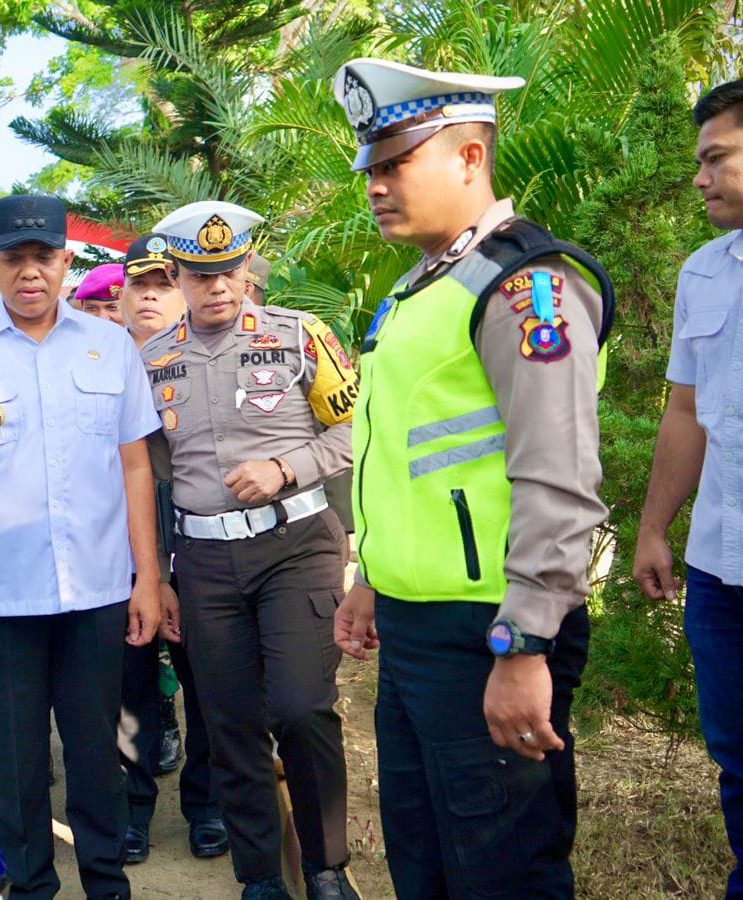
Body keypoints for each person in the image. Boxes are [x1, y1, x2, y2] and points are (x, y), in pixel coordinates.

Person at [329, 59, 612, 898]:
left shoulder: (525, 286)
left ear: (470, 156)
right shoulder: (420, 288)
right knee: (425, 862)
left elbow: (557, 476)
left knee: (502, 868)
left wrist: (525, 643)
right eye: (371, 168)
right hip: (415, 627)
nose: (376, 187)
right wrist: (373, 580)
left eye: (396, 163)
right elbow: (404, 457)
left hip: (490, 627)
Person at [0, 194, 162, 900]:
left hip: (96, 592)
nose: (29, 272)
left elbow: (135, 467)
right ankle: (31, 888)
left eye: (43, 257)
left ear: (65, 261)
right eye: (14, 258)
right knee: (13, 767)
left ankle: (106, 884)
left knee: (96, 756)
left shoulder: (109, 346)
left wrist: (147, 579)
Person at [144, 200, 359, 900]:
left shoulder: (301, 336)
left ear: (246, 271)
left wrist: (286, 467)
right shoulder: (151, 361)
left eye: (229, 271)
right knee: (229, 721)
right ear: (175, 277)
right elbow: (146, 476)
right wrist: (159, 575)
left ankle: (325, 867)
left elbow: (357, 430)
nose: (218, 287)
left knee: (300, 707)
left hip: (295, 545)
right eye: (200, 275)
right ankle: (260, 874)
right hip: (204, 561)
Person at [633, 78, 743, 898]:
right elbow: (684, 411)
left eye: (717, 158)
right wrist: (653, 528)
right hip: (718, 570)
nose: (699, 178)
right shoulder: (703, 273)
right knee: (737, 759)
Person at [113, 232, 229, 864]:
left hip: (198, 554)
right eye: (140, 285)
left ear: (183, 291)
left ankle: (207, 805)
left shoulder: (211, 359)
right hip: (121, 563)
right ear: (122, 296)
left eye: (164, 284)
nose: (151, 297)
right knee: (128, 691)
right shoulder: (101, 365)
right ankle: (132, 809)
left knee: (207, 687)